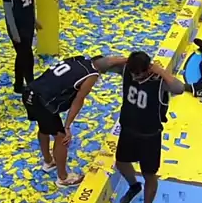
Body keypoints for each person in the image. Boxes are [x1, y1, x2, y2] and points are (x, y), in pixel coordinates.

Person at [23, 54, 127, 188]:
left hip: (30, 92)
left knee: (44, 128)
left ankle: (48, 162)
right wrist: (67, 127)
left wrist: (127, 59)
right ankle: (63, 178)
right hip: (42, 102)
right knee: (61, 138)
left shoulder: (79, 60)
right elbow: (78, 101)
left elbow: (108, 61)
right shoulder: (91, 75)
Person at [115, 51, 185, 203]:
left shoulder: (159, 81)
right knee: (121, 163)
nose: (135, 77)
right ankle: (134, 186)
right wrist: (125, 60)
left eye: (139, 73)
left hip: (149, 136)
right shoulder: (127, 71)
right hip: (128, 130)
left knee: (149, 175)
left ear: (148, 69)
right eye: (133, 72)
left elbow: (179, 88)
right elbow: (101, 63)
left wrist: (161, 71)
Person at [2, 0, 41, 94]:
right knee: (27, 57)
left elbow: (31, 3)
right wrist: (14, 33)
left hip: (28, 25)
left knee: (22, 56)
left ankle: (18, 85)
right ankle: (32, 86)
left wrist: (34, 20)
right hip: (17, 28)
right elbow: (8, 12)